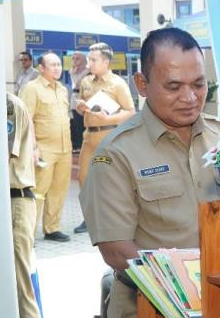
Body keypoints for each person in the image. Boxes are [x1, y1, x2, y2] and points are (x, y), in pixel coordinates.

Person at [80, 28, 220, 318]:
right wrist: (185, 293)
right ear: (142, 84)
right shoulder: (115, 154)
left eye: (199, 84)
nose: (190, 98)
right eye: (173, 87)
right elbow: (116, 250)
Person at [73, 43, 135, 234]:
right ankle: (89, 218)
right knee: (83, 178)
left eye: (93, 60)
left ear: (106, 62)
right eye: (89, 59)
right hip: (88, 137)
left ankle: (112, 219)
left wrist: (109, 118)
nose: (89, 63)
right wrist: (80, 107)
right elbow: (81, 107)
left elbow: (131, 111)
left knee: (108, 180)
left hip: (108, 137)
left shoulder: (117, 83)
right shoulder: (86, 82)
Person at [19, 52, 72, 243]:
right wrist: (33, 147)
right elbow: (26, 120)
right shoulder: (31, 89)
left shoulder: (63, 89)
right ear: (41, 68)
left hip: (64, 148)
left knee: (59, 190)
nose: (57, 68)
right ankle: (28, 233)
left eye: (59, 64)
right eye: (52, 65)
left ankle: (52, 228)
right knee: (38, 191)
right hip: (43, 148)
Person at [6, 92, 44, 318]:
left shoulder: (7, 105)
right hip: (6, 202)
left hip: (15, 201)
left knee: (21, 285)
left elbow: (5, 153)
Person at [68, 52, 89, 151]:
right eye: (73, 58)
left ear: (84, 60)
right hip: (74, 98)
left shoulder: (89, 72)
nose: (75, 60)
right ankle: (78, 145)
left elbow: (77, 84)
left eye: (77, 59)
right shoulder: (72, 71)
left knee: (84, 123)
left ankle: (85, 145)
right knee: (76, 123)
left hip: (85, 98)